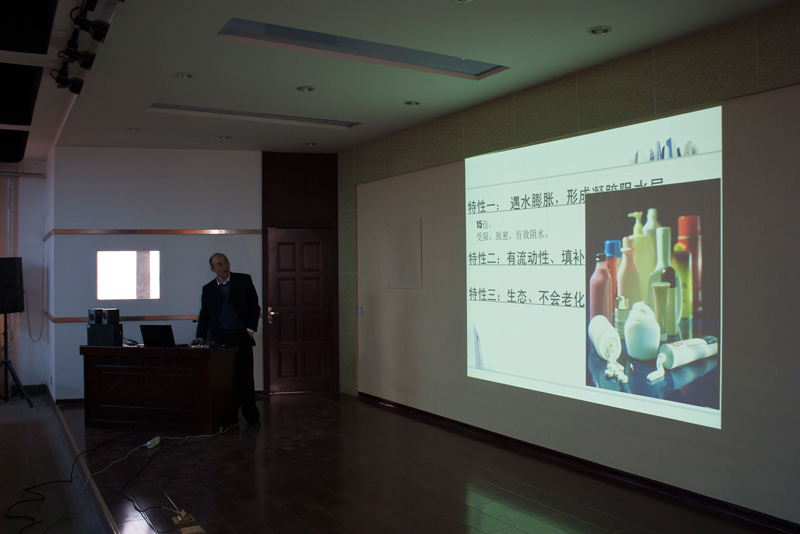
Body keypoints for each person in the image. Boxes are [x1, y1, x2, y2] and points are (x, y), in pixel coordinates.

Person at [191, 253, 261, 427]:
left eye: (226, 262)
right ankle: (229, 417)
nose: (224, 266)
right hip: (220, 338)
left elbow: (254, 306)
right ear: (212, 269)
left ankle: (252, 418)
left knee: (245, 377)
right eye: (220, 264)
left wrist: (250, 329)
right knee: (225, 380)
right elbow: (205, 315)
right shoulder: (208, 289)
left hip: (242, 335)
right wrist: (200, 337)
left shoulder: (243, 280)